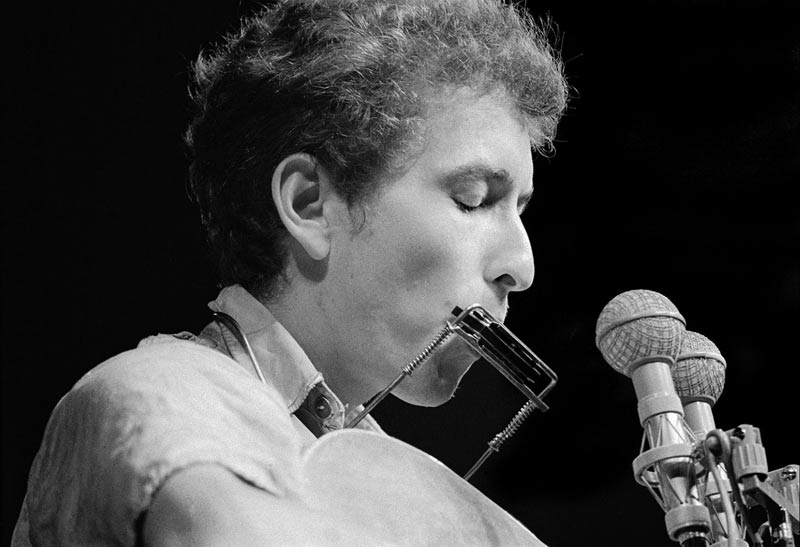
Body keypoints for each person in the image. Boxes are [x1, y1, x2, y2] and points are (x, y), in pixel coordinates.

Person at [12, 0, 568, 544]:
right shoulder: (165, 389)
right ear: (309, 205)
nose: (522, 266)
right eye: (472, 199)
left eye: (520, 210)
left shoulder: (383, 480)